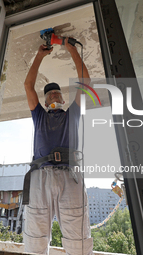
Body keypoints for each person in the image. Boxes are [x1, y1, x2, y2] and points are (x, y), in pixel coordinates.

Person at [22, 37, 93, 255]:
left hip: (69, 175)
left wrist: (71, 50)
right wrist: (40, 56)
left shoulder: (73, 114)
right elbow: (27, 85)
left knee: (78, 239)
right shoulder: (39, 116)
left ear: (62, 99)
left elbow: (86, 82)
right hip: (40, 176)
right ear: (45, 102)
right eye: (49, 93)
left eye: (57, 92)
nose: (53, 93)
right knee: (35, 236)